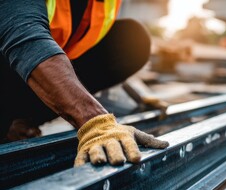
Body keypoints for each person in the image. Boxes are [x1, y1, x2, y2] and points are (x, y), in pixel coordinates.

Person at [0, 0, 169, 166]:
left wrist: (138, 95)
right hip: (16, 61)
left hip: (29, 76)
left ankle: (21, 121)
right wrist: (95, 122)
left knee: (132, 39)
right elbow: (25, 36)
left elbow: (75, 50)